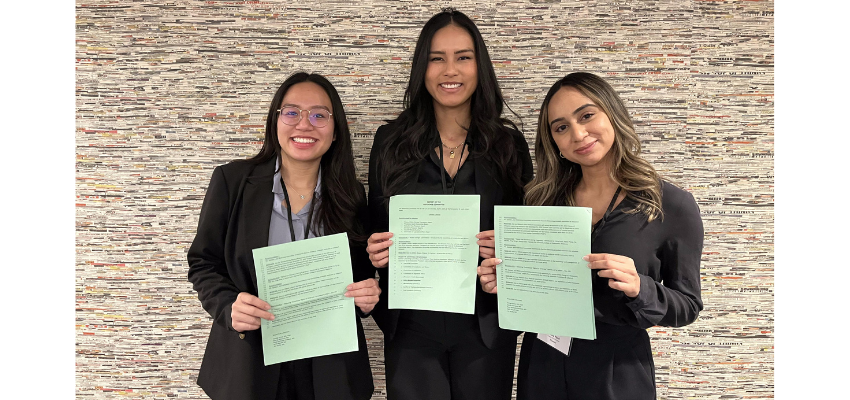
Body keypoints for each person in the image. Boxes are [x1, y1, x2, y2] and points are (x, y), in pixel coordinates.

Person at [476, 71, 704, 399]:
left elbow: (688, 305)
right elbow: (534, 295)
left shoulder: (669, 203)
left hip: (617, 369)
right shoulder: (541, 202)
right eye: (561, 127)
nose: (578, 133)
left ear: (611, 113)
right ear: (554, 142)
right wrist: (503, 282)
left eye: (586, 115)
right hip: (543, 362)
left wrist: (642, 288)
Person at [364, 8, 534, 400]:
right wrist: (374, 250)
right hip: (410, 325)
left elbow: (526, 235)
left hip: (486, 324)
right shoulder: (390, 141)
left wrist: (506, 248)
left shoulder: (509, 144)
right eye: (436, 58)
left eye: (463, 57)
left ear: (480, 66)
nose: (449, 70)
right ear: (422, 68)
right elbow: (372, 224)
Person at [187, 72, 378, 400]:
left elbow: (360, 276)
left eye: (319, 115)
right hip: (252, 362)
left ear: (335, 132)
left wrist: (367, 294)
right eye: (292, 112)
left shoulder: (351, 195)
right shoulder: (232, 181)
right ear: (275, 122)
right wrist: (227, 305)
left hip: (328, 364)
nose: (305, 124)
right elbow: (203, 262)